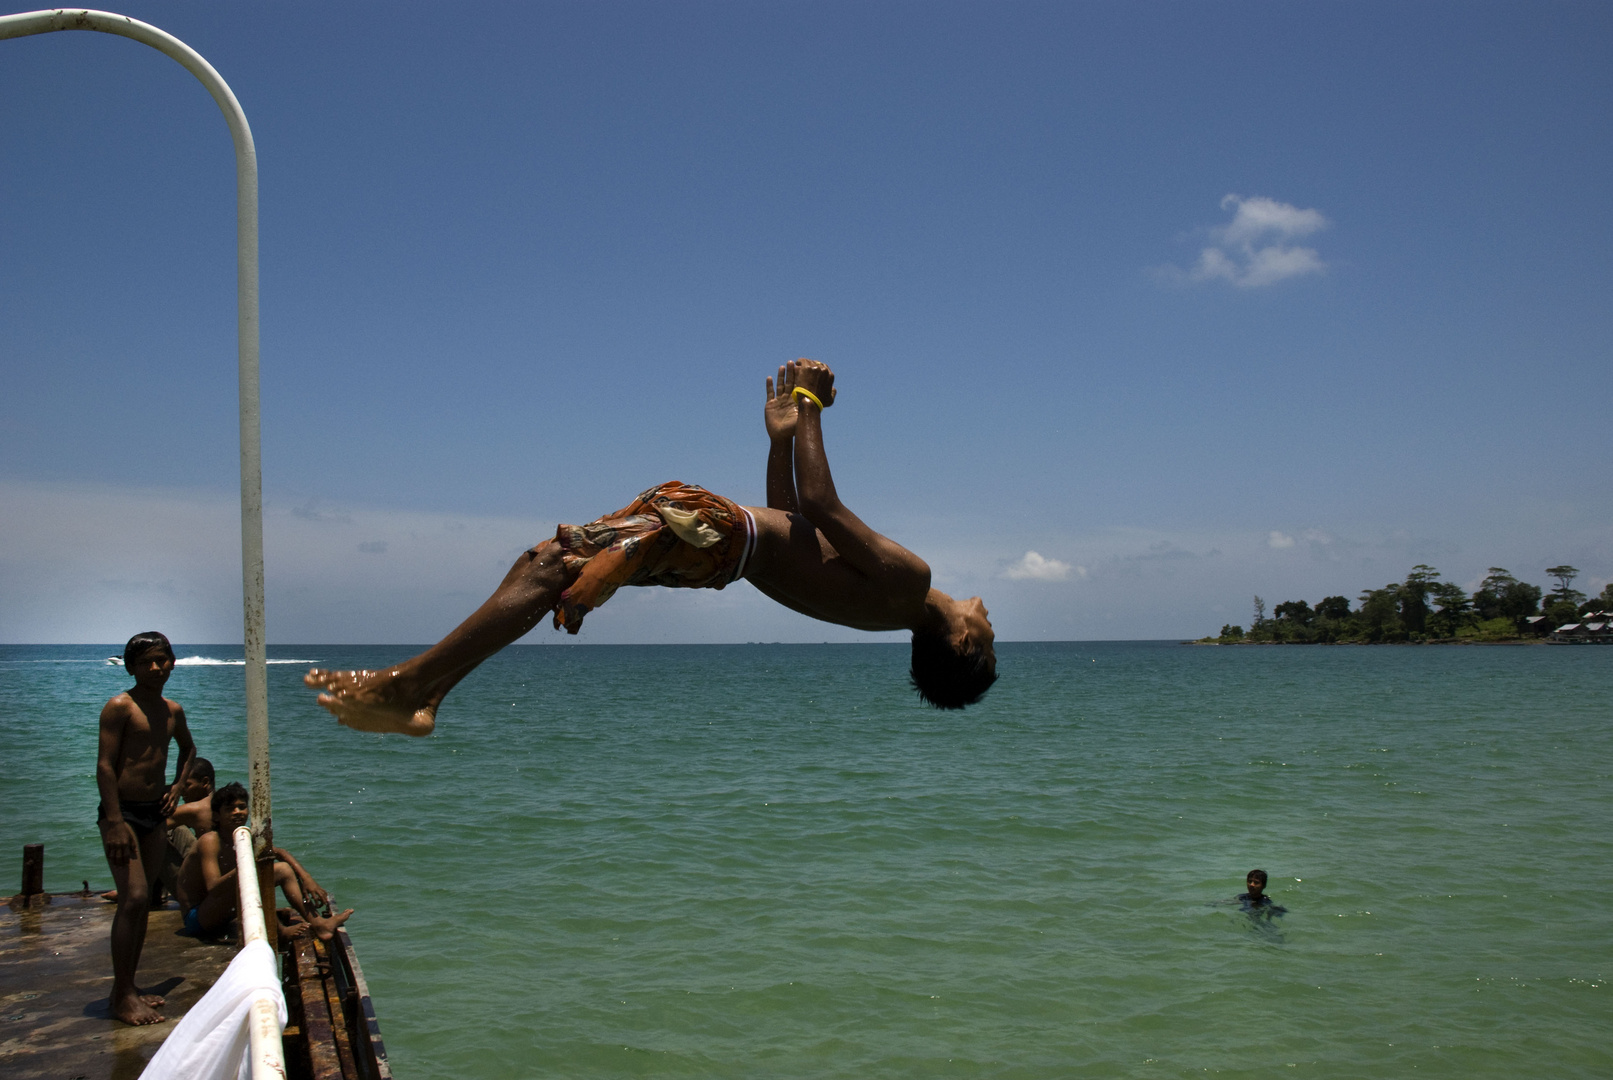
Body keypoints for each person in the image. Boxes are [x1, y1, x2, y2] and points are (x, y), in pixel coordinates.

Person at [305, 359, 997, 736]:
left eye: (989, 633)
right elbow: (794, 521)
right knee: (545, 566)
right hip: (722, 553)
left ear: (961, 643)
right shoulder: (882, 609)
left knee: (552, 566)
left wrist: (812, 406)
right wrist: (780, 442)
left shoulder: (910, 584)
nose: (989, 614)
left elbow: (818, 506)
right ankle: (428, 691)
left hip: (714, 534)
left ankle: (407, 685)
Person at [95, 630, 196, 1026]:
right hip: (122, 813)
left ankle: (128, 987)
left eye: (162, 659)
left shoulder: (173, 710)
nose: (156, 668)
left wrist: (178, 786)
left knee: (145, 906)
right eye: (146, 662)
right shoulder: (120, 706)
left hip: (155, 812)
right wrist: (116, 821)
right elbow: (105, 765)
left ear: (173, 661)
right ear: (131, 667)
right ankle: (121, 995)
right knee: (134, 897)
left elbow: (188, 749)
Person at [176, 783, 353, 941]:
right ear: (216, 816)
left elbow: (279, 853)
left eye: (242, 807)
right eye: (230, 809)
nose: (237, 812)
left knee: (282, 869)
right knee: (254, 876)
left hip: (219, 912)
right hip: (197, 918)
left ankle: (319, 923)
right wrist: (249, 867)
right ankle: (279, 931)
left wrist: (307, 878)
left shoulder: (244, 836)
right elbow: (213, 888)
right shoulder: (210, 840)